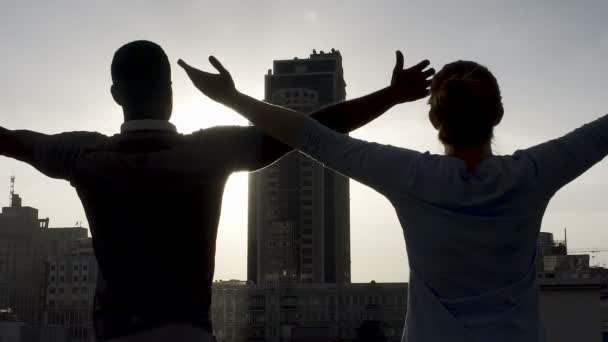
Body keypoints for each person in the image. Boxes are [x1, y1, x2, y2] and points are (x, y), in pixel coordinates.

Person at [0, 40, 432, 341]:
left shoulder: (83, 156)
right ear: (170, 90)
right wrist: (391, 95)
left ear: (116, 94)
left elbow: (10, 139)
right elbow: (313, 130)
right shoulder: (211, 151)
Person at [179, 55, 608, 342]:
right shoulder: (532, 175)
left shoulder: (411, 176)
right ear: (497, 114)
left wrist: (230, 98)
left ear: (435, 117)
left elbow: (312, 138)